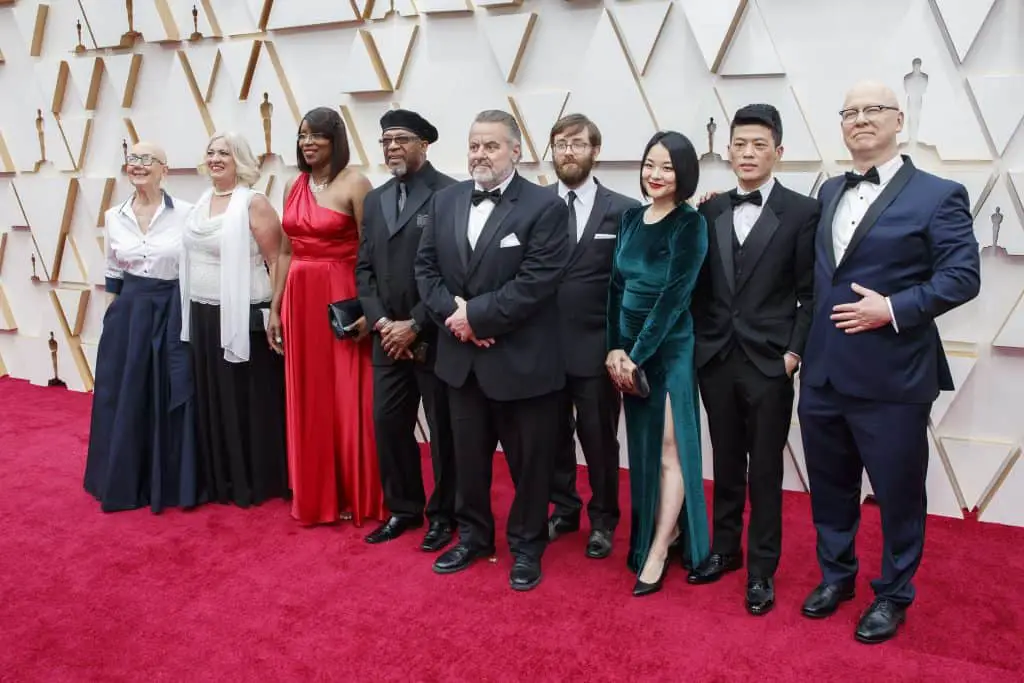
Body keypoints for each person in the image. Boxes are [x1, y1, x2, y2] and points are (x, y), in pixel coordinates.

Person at [799, 81, 980, 643]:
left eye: (872, 109)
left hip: (893, 375)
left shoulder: (939, 193)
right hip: (823, 371)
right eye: (849, 111)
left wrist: (894, 308)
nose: (860, 119)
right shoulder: (828, 190)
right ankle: (837, 576)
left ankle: (895, 594)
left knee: (899, 493)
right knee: (829, 487)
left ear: (899, 120)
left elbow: (962, 276)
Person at [415, 109, 569, 591]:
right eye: (474, 145)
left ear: (516, 151)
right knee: (467, 461)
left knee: (529, 464)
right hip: (461, 364)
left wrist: (475, 317)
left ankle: (526, 545)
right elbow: (426, 270)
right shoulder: (445, 201)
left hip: (521, 363)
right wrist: (458, 321)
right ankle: (475, 536)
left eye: (491, 146)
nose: (480, 154)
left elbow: (537, 282)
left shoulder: (546, 207)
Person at [688, 104, 820, 616]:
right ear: (729, 150)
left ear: (778, 152)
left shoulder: (803, 213)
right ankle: (726, 550)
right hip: (717, 357)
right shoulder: (711, 210)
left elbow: (810, 295)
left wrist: (793, 355)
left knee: (765, 470)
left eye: (758, 145)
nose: (747, 153)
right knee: (725, 462)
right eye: (740, 144)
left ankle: (762, 570)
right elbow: (700, 289)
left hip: (769, 363)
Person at [605, 131, 709, 597]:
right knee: (642, 449)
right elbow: (614, 289)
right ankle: (655, 532)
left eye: (667, 166)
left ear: (683, 172)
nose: (656, 174)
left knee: (670, 450)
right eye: (650, 164)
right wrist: (614, 349)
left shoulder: (690, 223)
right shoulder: (629, 218)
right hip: (626, 352)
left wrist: (636, 355)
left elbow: (674, 297)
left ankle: (661, 548)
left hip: (668, 350)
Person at [271, 107, 384, 526]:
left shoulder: (356, 183)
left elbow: (374, 254)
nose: (308, 142)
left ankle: (357, 493)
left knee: (348, 394)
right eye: (302, 135)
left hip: (342, 295)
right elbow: (284, 251)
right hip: (299, 298)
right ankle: (317, 494)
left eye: (316, 135)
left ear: (335, 139)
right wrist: (276, 306)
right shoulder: (291, 184)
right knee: (310, 394)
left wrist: (371, 313)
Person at [356, 109, 458, 551]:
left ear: (424, 144)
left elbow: (456, 272)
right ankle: (403, 508)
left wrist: (415, 323)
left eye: (401, 139)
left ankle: (445, 514)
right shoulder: (375, 199)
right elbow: (363, 270)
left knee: (443, 432)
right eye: (385, 140)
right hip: (387, 340)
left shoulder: (451, 194)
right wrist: (381, 322)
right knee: (388, 425)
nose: (392, 147)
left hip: (433, 336)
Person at [84, 142, 198, 513]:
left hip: (172, 309)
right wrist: (111, 322)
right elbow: (113, 272)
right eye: (133, 158)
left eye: (147, 159)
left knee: (170, 390)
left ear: (165, 168)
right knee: (126, 394)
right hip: (129, 314)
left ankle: (169, 480)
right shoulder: (113, 215)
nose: (138, 165)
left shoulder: (186, 213)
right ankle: (122, 477)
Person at [545, 113, 640, 559]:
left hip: (598, 348)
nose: (568, 151)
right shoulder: (536, 204)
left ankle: (603, 519)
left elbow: (631, 283)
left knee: (599, 439)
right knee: (549, 436)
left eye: (577, 144)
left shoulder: (623, 210)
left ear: (595, 151)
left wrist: (622, 345)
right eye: (560, 143)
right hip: (540, 348)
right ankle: (564, 508)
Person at [179, 131, 288, 508]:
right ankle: (222, 475)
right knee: (215, 395)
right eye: (210, 152)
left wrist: (277, 310)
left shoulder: (253, 203)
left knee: (246, 397)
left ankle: (257, 478)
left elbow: (277, 259)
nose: (215, 158)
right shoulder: (201, 202)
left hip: (244, 313)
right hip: (204, 311)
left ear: (239, 158)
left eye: (223, 152)